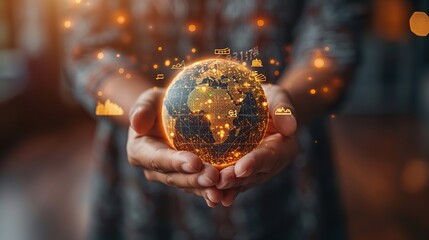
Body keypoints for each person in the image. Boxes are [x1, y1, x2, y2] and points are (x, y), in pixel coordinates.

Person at [63, 0, 364, 239]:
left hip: (288, 184)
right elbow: (87, 50)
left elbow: (334, 40)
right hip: (145, 199)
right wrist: (142, 110)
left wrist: (287, 105)